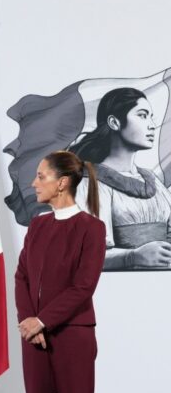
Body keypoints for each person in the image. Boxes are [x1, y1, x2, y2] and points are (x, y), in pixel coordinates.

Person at [14, 150, 106, 393]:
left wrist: (42, 321)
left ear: (62, 182)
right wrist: (28, 323)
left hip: (73, 336)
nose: (34, 183)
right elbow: (21, 276)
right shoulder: (37, 226)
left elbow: (83, 287)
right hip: (34, 338)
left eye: (41, 176)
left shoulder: (91, 228)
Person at [71, 87, 171, 270]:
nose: (151, 125)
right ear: (114, 122)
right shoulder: (91, 183)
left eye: (151, 117)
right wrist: (132, 257)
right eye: (142, 115)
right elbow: (84, 255)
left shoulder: (154, 182)